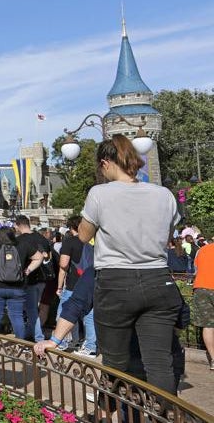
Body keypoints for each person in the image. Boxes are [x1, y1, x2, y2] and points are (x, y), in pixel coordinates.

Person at [78, 135, 182, 394]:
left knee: (115, 363)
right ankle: (163, 411)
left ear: (105, 163)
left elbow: (83, 236)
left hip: (116, 282)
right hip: (159, 280)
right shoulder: (164, 194)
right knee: (159, 363)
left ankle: (110, 408)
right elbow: (167, 237)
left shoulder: (99, 193)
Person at [0, 228, 43, 339]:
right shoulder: (23, 245)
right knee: (17, 316)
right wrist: (28, 270)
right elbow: (39, 257)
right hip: (17, 286)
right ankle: (20, 343)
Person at [56, 216, 96, 356]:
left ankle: (62, 342)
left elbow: (63, 264)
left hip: (74, 283)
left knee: (64, 312)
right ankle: (91, 346)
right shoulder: (92, 242)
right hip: (91, 281)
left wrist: (59, 286)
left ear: (71, 227)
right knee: (89, 316)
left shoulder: (70, 242)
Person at [15, 215, 52, 342]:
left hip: (27, 279)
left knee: (27, 311)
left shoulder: (19, 240)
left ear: (18, 226)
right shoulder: (42, 238)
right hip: (43, 278)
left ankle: (33, 335)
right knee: (34, 310)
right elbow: (48, 256)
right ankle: (33, 334)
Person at [191, 239, 214, 369]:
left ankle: (213, 359)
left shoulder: (201, 250)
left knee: (208, 325)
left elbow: (195, 270)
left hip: (201, 288)